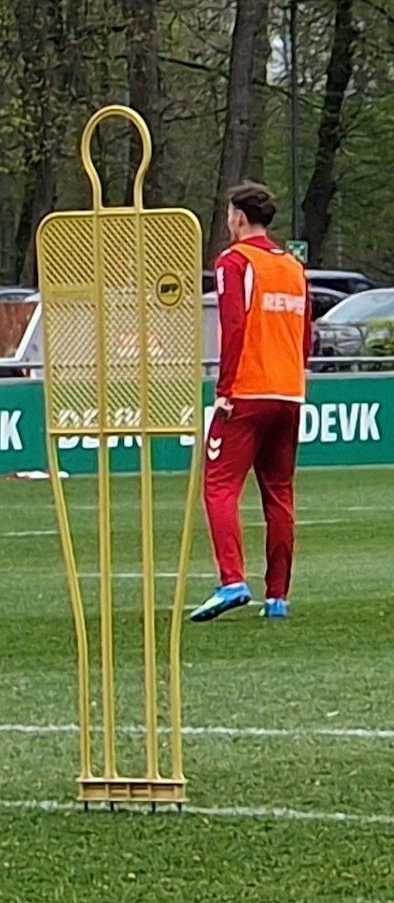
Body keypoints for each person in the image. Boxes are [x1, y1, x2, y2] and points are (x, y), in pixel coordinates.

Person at [191, 182, 313, 622]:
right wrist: (295, 379)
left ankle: (231, 580)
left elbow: (234, 326)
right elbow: (305, 334)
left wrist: (224, 390)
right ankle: (277, 596)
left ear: (239, 217)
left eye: (229, 214)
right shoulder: (293, 266)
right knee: (279, 495)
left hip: (247, 391)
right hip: (288, 392)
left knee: (219, 485)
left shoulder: (234, 261)